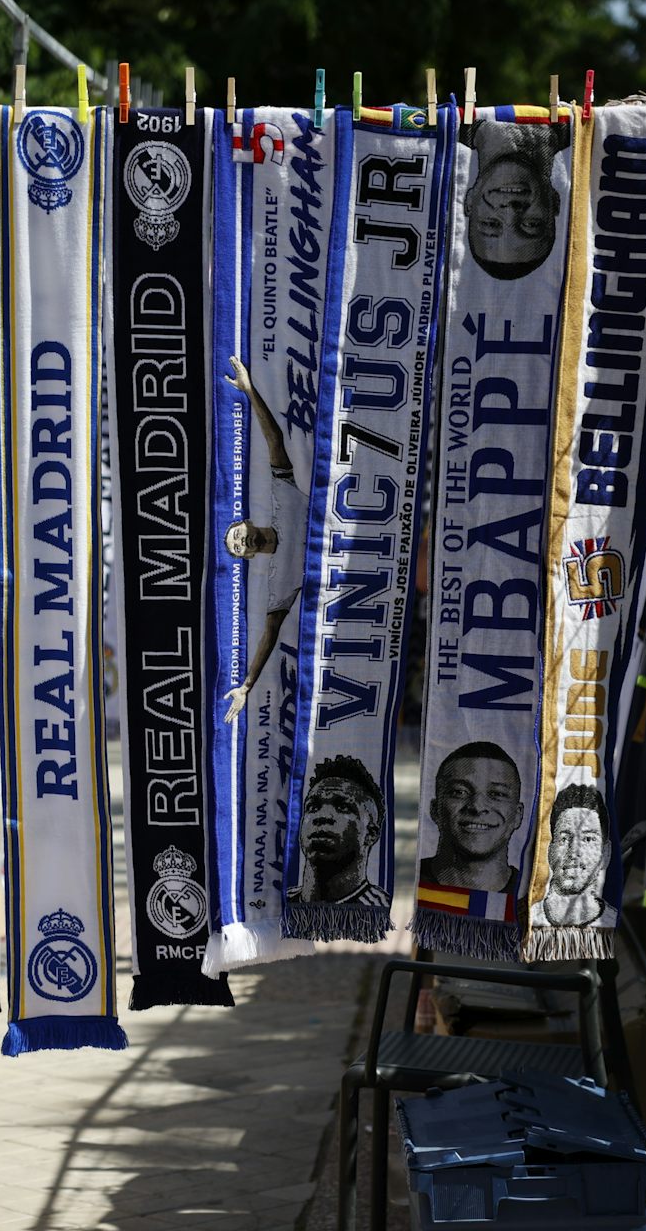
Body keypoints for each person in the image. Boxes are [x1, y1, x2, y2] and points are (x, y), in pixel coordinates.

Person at [220, 355, 307, 722]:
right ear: (250, 559)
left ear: (248, 522)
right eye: (239, 549)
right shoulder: (278, 586)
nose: (243, 544)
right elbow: (268, 638)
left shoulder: (282, 494)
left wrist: (250, 390)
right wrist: (247, 685)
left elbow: (273, 437)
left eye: (239, 535)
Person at [459, 118, 563, 280]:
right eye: (531, 224)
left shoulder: (443, 130)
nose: (510, 210)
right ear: (555, 201)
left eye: (491, 224)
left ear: (469, 201)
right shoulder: (592, 139)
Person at [419, 741, 525, 892]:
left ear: (517, 815)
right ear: (435, 809)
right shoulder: (404, 883)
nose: (477, 806)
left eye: (497, 794)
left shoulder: (531, 895)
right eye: (459, 792)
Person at [287, 755, 389, 908]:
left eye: (343, 807)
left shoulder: (379, 911)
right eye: (313, 807)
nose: (322, 816)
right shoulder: (277, 905)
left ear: (371, 833)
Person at [527, 784, 611, 928]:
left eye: (588, 839)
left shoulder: (610, 924)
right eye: (564, 839)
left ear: (606, 853)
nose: (573, 852)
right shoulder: (525, 920)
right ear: (549, 849)